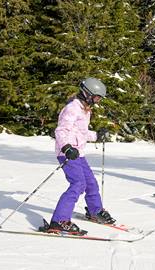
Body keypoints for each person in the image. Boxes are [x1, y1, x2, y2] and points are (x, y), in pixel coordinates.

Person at [47, 77, 115, 235]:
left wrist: (97, 135)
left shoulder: (85, 109)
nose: (98, 101)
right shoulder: (72, 108)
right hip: (68, 154)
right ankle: (59, 220)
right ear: (87, 93)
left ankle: (95, 211)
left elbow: (80, 132)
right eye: (96, 97)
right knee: (78, 184)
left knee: (91, 183)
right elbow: (61, 130)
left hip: (79, 153)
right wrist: (67, 147)